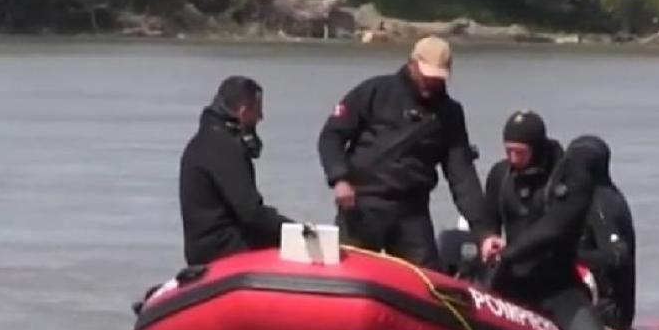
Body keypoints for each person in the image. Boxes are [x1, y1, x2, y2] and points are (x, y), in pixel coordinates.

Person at [480, 134, 644, 330]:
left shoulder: (602, 202)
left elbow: (617, 256)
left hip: (602, 302)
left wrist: (569, 253)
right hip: (529, 281)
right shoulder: (558, 192)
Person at [317, 35, 485, 270]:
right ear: (412, 64)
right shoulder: (375, 92)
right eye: (427, 77)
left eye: (437, 79)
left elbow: (462, 175)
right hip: (362, 205)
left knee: (428, 283)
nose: (431, 85)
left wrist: (484, 230)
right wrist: (339, 178)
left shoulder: (450, 114)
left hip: (411, 212)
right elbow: (331, 136)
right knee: (350, 272)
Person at [179, 75, 297, 266]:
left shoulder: (206, 139)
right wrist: (297, 232)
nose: (261, 117)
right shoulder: (223, 147)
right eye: (258, 111)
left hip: (205, 245)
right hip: (220, 248)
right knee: (296, 251)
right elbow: (251, 213)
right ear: (243, 111)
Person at [468, 110, 564, 283]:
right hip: (510, 264)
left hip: (551, 270)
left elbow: (560, 227)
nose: (513, 158)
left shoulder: (559, 178)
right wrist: (487, 238)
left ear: (536, 149)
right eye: (509, 151)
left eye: (520, 152)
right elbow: (488, 219)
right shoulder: (500, 175)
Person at [572, 135, 637, 330]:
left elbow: (618, 255)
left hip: (611, 309)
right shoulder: (584, 197)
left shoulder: (603, 204)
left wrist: (570, 257)